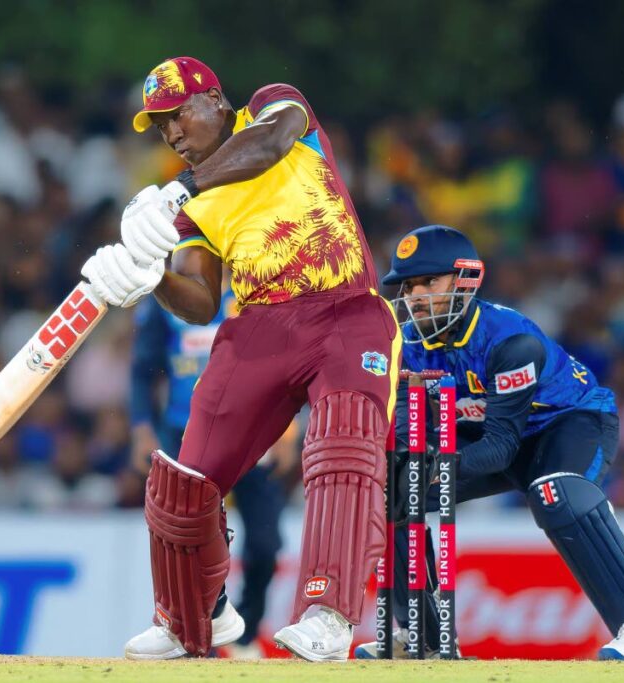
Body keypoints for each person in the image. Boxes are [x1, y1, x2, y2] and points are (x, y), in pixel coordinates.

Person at [81, 56, 400, 661]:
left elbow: (272, 144)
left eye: (177, 116)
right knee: (186, 479)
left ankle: (327, 614)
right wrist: (149, 277)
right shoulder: (188, 207)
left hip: (345, 308)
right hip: (260, 325)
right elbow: (200, 303)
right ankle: (188, 617)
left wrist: (182, 188)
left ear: (217, 102)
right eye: (159, 126)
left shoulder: (273, 106)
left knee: (343, 446)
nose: (171, 134)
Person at [353, 224, 624, 661]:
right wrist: (410, 465)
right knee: (394, 487)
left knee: (554, 491)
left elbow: (502, 448)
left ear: (465, 281)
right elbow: (410, 431)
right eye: (408, 286)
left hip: (567, 423)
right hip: (488, 430)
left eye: (429, 282)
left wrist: (436, 463)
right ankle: (424, 637)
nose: (415, 296)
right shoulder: (406, 345)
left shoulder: (510, 340)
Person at [128, 287, 296, 659]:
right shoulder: (170, 296)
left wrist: (287, 428)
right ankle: (188, 635)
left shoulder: (258, 287)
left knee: (266, 543)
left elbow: (286, 360)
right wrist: (142, 429)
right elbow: (143, 369)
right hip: (185, 434)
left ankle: (245, 632)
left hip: (254, 431)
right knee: (184, 544)